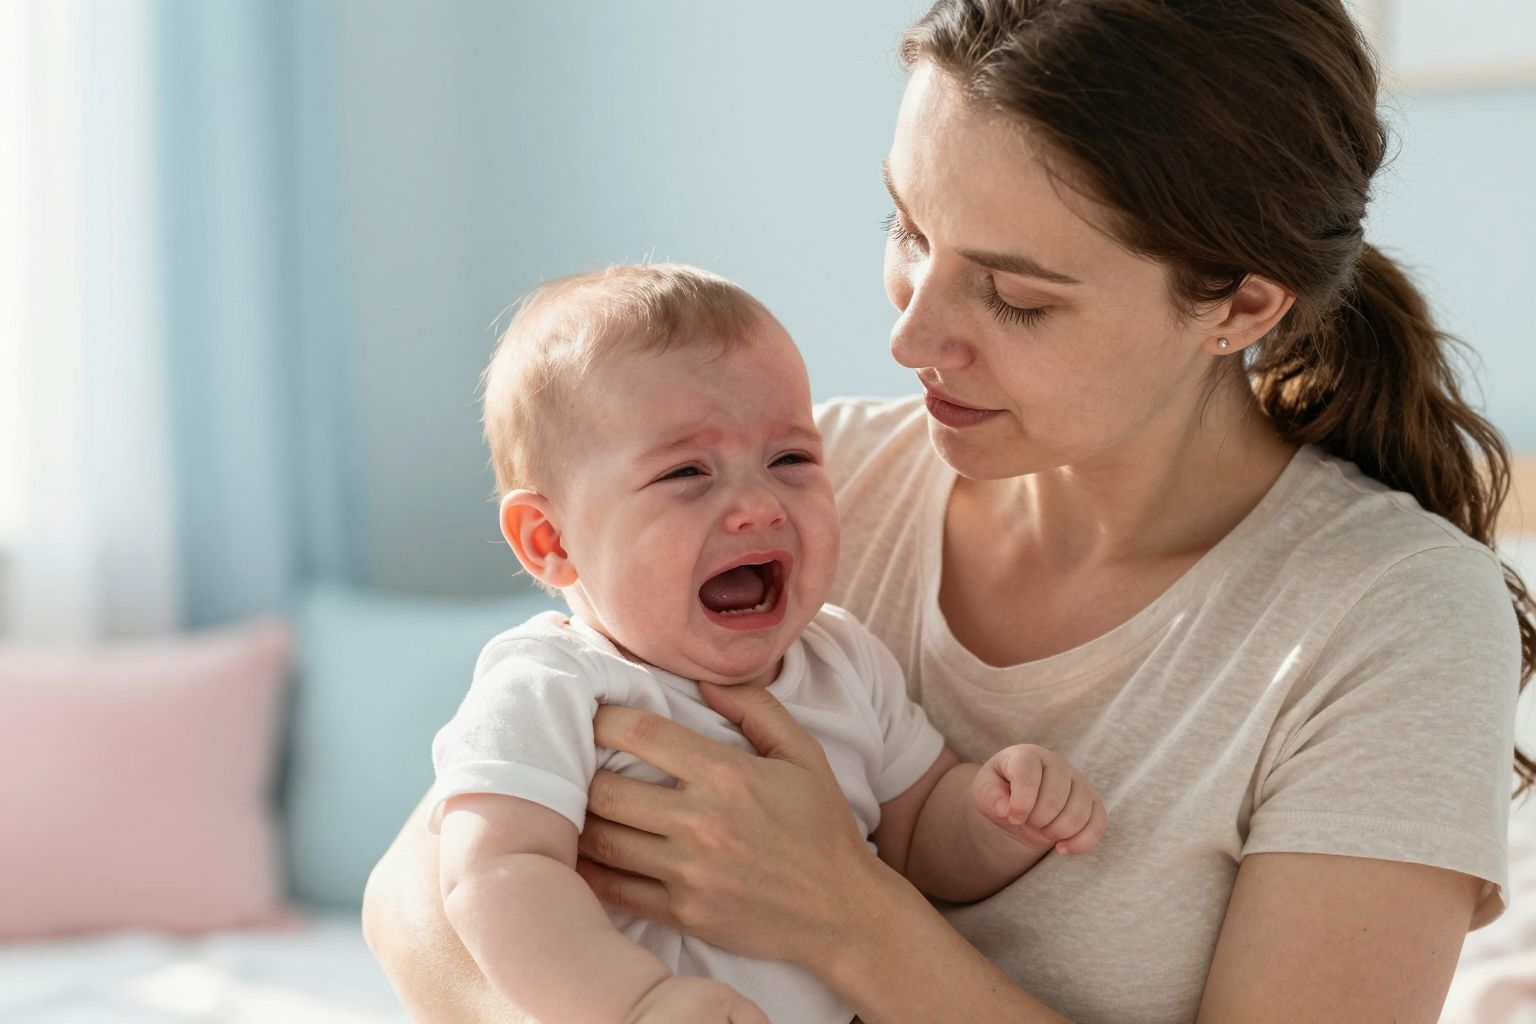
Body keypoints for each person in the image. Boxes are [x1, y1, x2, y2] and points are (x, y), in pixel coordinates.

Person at [363, 1, 1536, 1020]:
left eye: (1016, 297)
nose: (910, 336)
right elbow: (416, 889)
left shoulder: (1388, 616)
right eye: (909, 231)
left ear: (1239, 305)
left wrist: (848, 914)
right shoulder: (810, 482)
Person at [427, 263, 1105, 1024]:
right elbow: (495, 872)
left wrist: (994, 816)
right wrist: (634, 1002)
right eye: (686, 471)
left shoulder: (842, 659)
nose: (758, 506)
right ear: (549, 539)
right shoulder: (552, 683)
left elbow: (916, 834)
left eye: (791, 459)